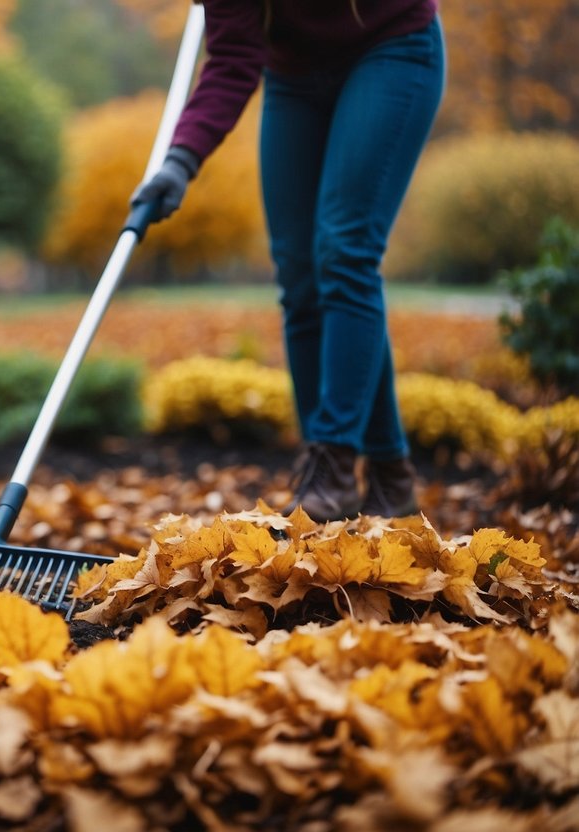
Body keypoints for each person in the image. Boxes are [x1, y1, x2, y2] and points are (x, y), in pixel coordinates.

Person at [134, 0, 445, 522]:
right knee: (301, 276)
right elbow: (233, 60)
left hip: (391, 47)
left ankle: (336, 463)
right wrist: (179, 162)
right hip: (294, 77)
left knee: (345, 251)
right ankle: (388, 476)